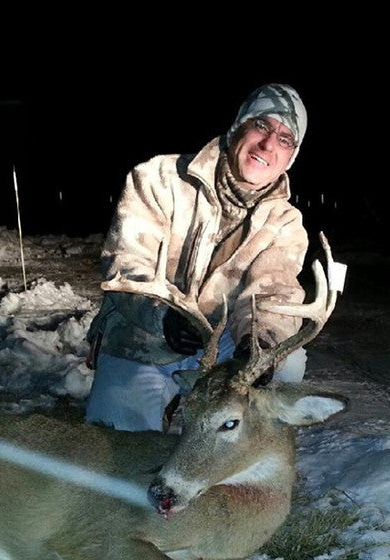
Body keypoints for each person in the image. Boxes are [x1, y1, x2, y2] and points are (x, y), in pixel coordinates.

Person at [84, 83, 311, 431]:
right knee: (116, 445)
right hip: (145, 337)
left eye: (285, 139)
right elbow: (125, 263)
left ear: (290, 157)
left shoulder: (285, 222)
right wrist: (162, 317)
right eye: (262, 125)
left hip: (224, 349)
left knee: (288, 361)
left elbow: (272, 295)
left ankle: (231, 452)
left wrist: (259, 342)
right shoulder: (159, 178)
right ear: (238, 127)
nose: (268, 144)